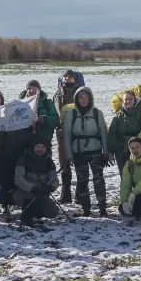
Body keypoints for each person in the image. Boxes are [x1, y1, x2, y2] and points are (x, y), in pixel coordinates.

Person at [62, 87, 111, 216]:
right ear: (76, 99)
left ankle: (102, 207)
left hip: (95, 151)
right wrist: (69, 155)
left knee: (98, 179)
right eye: (81, 97)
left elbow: (103, 133)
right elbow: (67, 136)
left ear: (90, 99)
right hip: (78, 152)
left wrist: (105, 152)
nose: (84, 100)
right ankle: (86, 209)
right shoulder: (71, 114)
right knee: (82, 180)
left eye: (86, 97)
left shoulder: (97, 113)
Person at [12, 140, 60, 227]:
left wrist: (51, 187)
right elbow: (18, 179)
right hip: (26, 193)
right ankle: (29, 213)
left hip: (42, 194)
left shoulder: (49, 162)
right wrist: (32, 188)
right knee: (19, 197)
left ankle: (36, 212)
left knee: (53, 211)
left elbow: (55, 180)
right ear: (33, 148)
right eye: (37, 146)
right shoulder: (24, 159)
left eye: (42, 147)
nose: (40, 150)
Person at [107, 90, 141, 172]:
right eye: (126, 99)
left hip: (137, 148)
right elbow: (112, 134)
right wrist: (110, 152)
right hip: (121, 149)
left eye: (130, 99)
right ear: (123, 101)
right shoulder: (119, 115)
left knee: (138, 173)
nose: (128, 101)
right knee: (124, 173)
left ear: (135, 100)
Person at [54, 71, 81, 202]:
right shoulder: (57, 94)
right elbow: (55, 112)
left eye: (70, 77)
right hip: (62, 134)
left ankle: (81, 193)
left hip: (79, 134)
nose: (67, 78)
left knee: (80, 163)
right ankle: (66, 193)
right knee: (64, 164)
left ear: (75, 79)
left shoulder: (81, 93)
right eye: (65, 76)